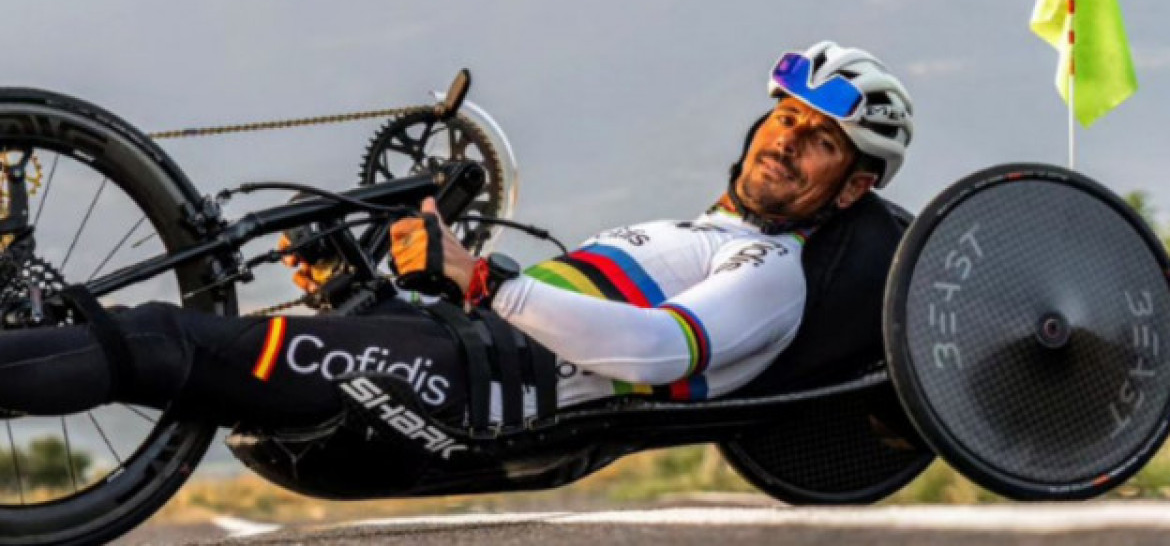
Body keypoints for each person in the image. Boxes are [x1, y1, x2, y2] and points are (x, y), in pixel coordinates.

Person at [0, 41, 913, 429]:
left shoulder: (769, 271)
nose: (785, 141)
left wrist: (483, 279)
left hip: (475, 380)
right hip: (450, 345)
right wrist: (353, 291)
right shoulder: (692, 229)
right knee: (189, 341)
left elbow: (657, 351)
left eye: (821, 140)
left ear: (853, 187)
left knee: (166, 341)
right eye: (786, 117)